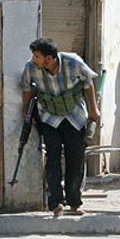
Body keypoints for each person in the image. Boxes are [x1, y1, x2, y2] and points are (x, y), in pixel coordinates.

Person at [21, 38, 100, 217]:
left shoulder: (73, 63)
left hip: (75, 117)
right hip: (49, 118)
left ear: (49, 58)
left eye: (37, 56)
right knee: (52, 159)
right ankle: (56, 202)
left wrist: (94, 109)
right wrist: (25, 111)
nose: (34, 59)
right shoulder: (30, 69)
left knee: (75, 159)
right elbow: (27, 89)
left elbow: (88, 83)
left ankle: (74, 202)